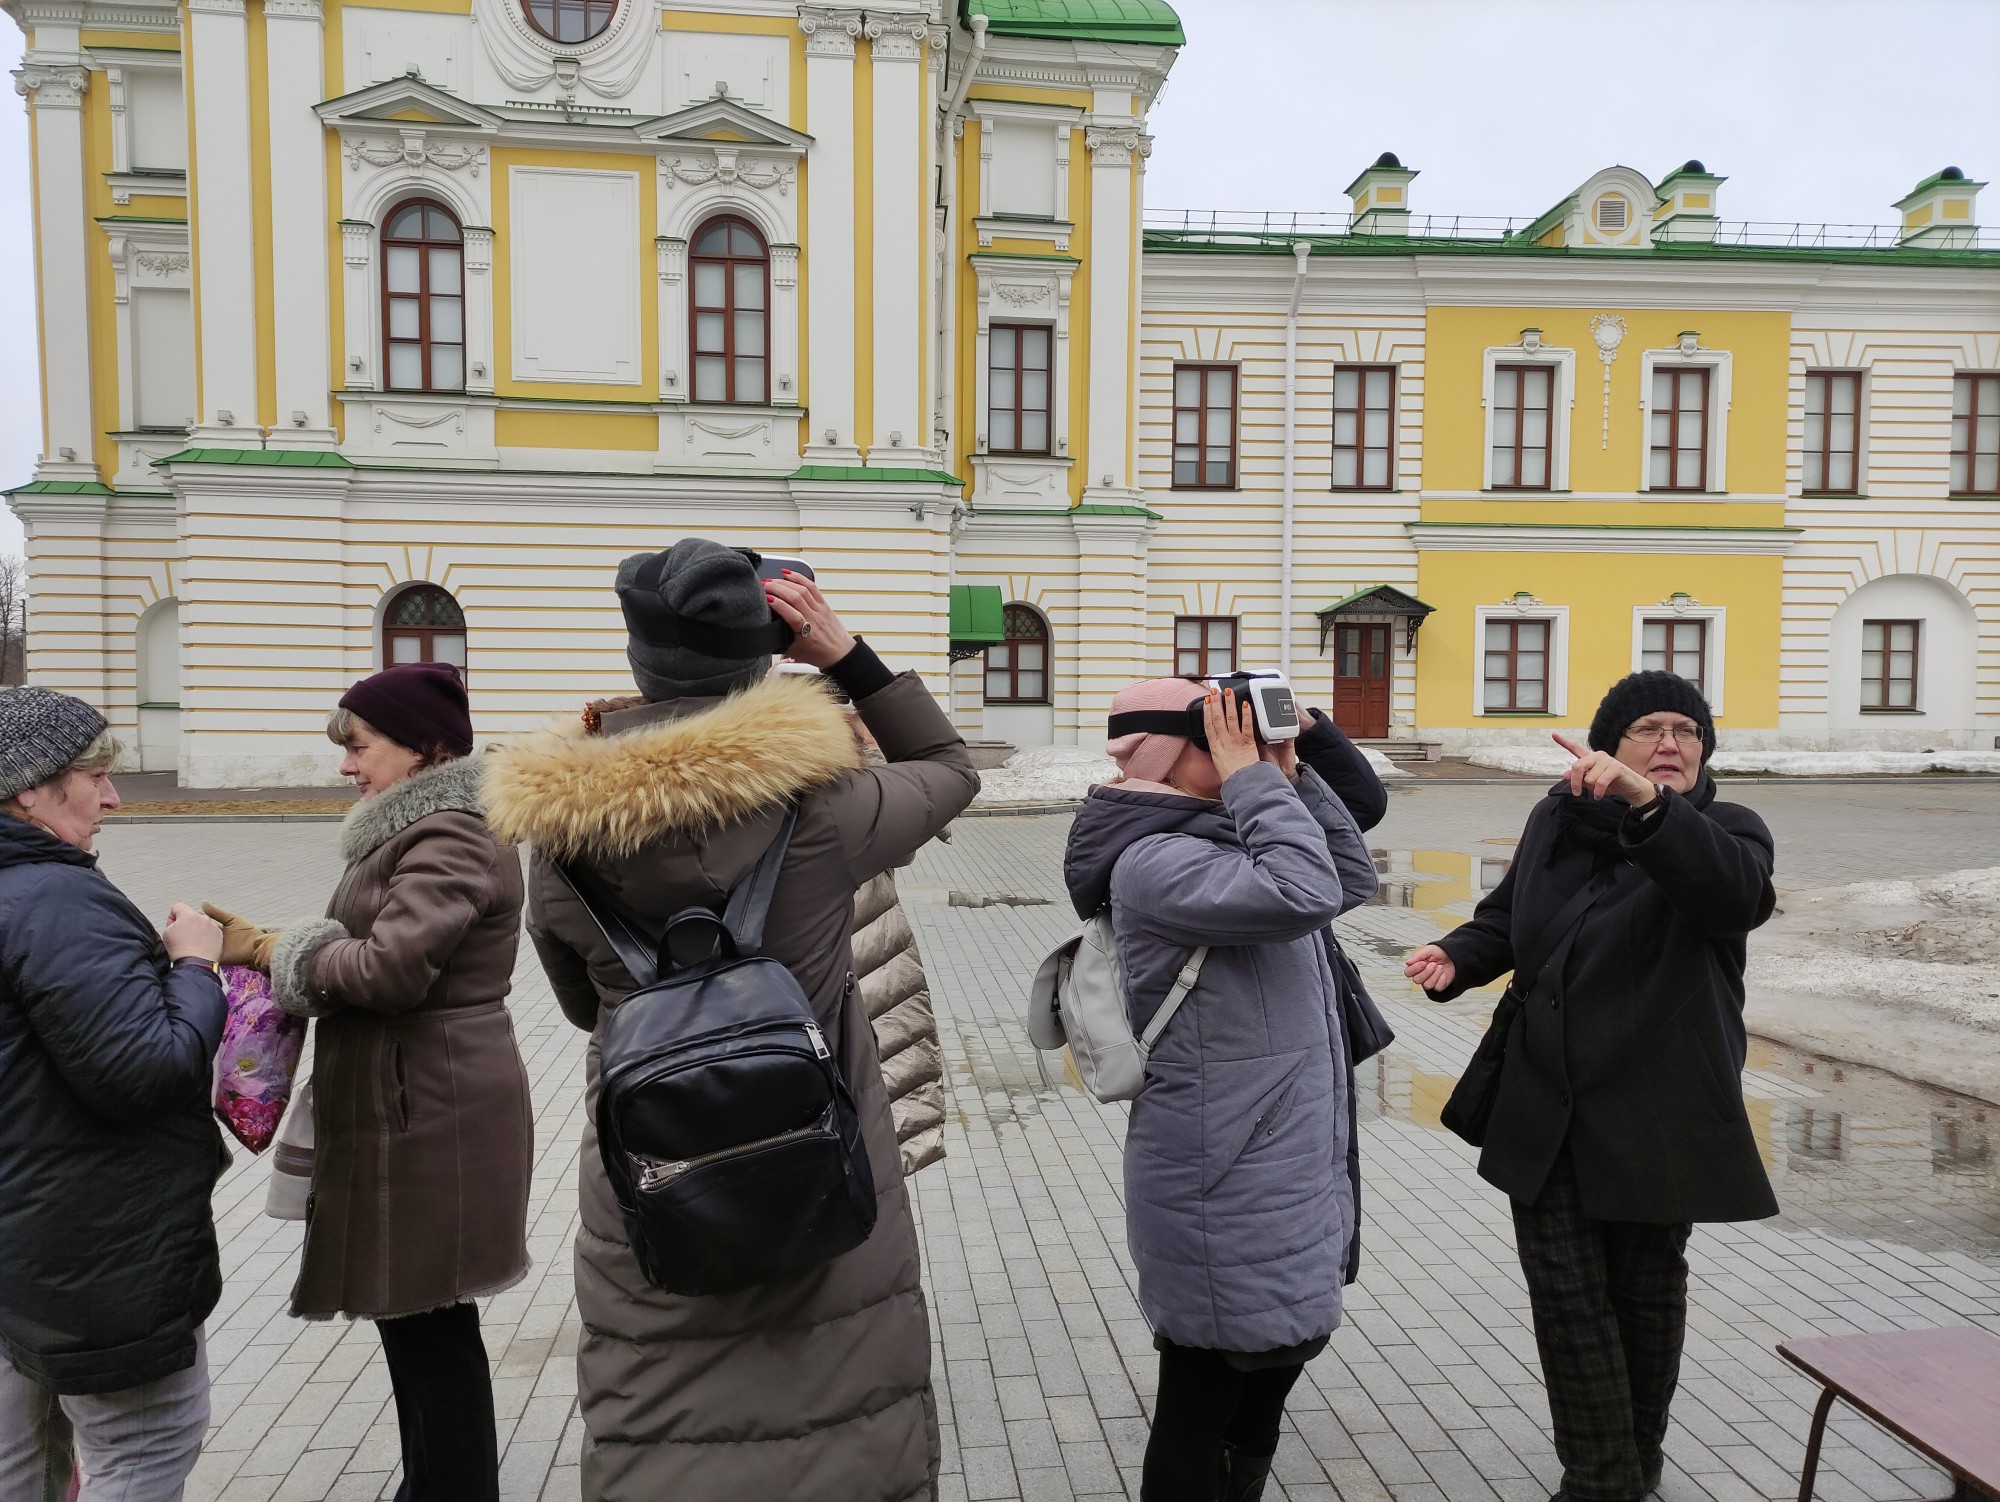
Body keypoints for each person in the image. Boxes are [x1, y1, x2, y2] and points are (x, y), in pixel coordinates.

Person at [483, 541, 978, 1501]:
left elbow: (585, 1005)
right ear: (766, 657)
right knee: (843, 1414)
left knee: (660, 1418)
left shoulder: (556, 833)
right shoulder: (826, 805)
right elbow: (948, 767)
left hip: (656, 1178)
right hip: (821, 1165)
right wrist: (847, 656)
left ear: (638, 659)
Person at [1404, 671, 1778, 1502]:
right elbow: (1509, 916)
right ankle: (1602, 1478)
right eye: (1651, 729)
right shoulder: (1557, 820)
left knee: (1643, 1296)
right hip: (1548, 1100)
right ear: (1609, 744)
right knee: (1569, 1300)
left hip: (1659, 1111)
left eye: (1687, 730)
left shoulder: (1727, 830)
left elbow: (1735, 898)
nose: (1672, 744)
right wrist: (1458, 956)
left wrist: (1653, 808)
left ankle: (1630, 1467)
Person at [204, 662, 531, 1502]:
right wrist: (282, 940)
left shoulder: (451, 831)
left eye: (359, 746)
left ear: (422, 748)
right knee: (416, 1320)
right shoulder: (410, 827)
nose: (347, 765)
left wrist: (278, 951)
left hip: (431, 1103)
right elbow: (372, 942)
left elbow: (389, 970)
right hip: (411, 1096)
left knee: (431, 1326)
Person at [1062, 678, 1377, 1502]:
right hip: (1222, 1169)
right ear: (1173, 753)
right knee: (1202, 1394)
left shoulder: (1229, 830)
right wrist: (1254, 782)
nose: (1241, 746)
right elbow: (1303, 892)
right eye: (1222, 733)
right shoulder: (1152, 860)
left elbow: (1346, 877)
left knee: (1271, 1370)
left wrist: (1287, 771)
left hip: (1279, 1157)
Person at [0, 688, 226, 1502]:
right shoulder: (54, 901)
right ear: (31, 788)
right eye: (94, 775)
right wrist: (195, 967)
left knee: (22, 1459)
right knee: (144, 1447)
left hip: (26, 1253)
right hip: (95, 1255)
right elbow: (144, 1069)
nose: (113, 796)